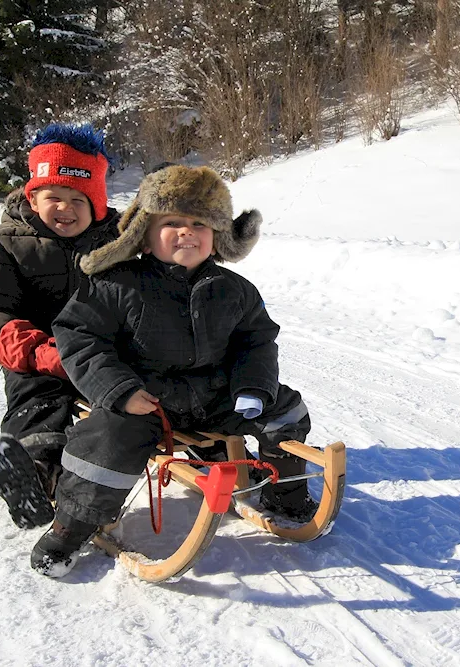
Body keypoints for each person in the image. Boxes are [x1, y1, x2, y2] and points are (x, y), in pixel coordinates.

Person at [34, 164, 314, 576]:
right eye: (173, 223)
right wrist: (119, 390)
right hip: (145, 401)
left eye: (200, 223)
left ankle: (284, 493)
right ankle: (71, 525)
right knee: (106, 440)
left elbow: (255, 341)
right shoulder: (117, 283)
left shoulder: (235, 290)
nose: (188, 232)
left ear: (217, 236)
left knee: (288, 408)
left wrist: (254, 387)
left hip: (217, 396)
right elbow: (80, 336)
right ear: (144, 234)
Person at [0, 123, 120, 530]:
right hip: (40, 353)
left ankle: (217, 454)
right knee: (38, 398)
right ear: (34, 198)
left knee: (163, 387)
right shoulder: (4, 243)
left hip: (107, 352)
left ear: (97, 204)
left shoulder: (119, 243)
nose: (64, 208)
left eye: (77, 199)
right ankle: (35, 472)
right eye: (54, 197)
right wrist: (35, 351)